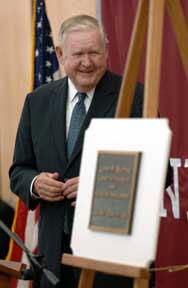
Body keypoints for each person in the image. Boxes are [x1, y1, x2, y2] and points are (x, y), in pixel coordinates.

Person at [9, 14, 171, 288]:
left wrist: (102, 187)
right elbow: (19, 171)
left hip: (114, 262)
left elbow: (161, 174)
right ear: (60, 54)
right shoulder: (37, 102)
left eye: (95, 52)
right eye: (79, 53)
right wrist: (36, 184)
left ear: (107, 50)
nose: (87, 62)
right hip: (53, 262)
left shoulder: (134, 97)